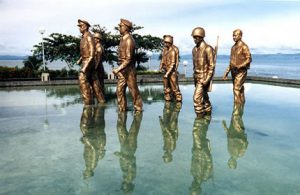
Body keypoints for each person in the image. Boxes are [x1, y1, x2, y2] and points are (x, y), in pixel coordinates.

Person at [113, 18, 143, 113]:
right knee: (119, 90)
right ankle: (122, 108)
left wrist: (118, 69)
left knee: (133, 91)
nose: (119, 28)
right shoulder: (122, 39)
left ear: (126, 28)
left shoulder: (129, 40)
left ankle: (138, 109)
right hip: (123, 70)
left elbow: (129, 59)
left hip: (129, 70)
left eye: (121, 26)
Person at [77, 19, 105, 105]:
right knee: (95, 83)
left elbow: (92, 54)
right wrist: (80, 59)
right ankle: (101, 100)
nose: (79, 28)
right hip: (87, 61)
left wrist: (85, 67)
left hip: (88, 62)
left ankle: (88, 103)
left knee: (82, 80)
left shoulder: (89, 37)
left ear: (85, 27)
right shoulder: (84, 37)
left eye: (81, 26)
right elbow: (85, 52)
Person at [191, 27, 215, 117]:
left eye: (196, 37)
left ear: (201, 37)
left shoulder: (208, 49)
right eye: (193, 37)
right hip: (196, 77)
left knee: (196, 98)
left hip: (203, 78)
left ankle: (199, 119)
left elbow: (211, 66)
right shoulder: (194, 49)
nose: (194, 39)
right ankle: (208, 111)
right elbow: (194, 65)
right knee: (204, 96)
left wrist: (207, 79)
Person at [223, 29, 252, 104]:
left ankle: (237, 111)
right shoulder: (233, 47)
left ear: (240, 36)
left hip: (241, 71)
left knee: (236, 88)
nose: (234, 37)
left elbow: (249, 59)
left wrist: (240, 66)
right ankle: (242, 103)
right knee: (240, 88)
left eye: (235, 35)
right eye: (233, 35)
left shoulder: (244, 46)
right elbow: (231, 62)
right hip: (233, 71)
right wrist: (226, 72)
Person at [222, 102, 248, 169]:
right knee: (236, 116)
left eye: (229, 162)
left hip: (232, 130)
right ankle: (239, 102)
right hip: (238, 132)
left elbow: (228, 137)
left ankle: (238, 102)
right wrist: (240, 140)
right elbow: (246, 143)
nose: (229, 161)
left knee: (235, 115)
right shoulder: (240, 153)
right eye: (231, 163)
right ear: (234, 163)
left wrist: (224, 127)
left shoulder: (230, 152)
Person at [159, 35, 182, 102]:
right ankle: (168, 97)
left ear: (170, 42)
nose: (165, 44)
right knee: (166, 86)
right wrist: (160, 67)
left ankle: (178, 99)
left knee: (174, 86)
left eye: (166, 42)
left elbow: (173, 63)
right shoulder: (164, 50)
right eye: (164, 42)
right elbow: (162, 59)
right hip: (166, 70)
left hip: (172, 71)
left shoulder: (173, 51)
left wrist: (168, 73)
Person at [94, 32, 106, 96]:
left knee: (99, 85)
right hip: (98, 67)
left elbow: (98, 60)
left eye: (95, 39)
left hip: (98, 68)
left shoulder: (99, 48)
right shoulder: (95, 47)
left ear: (98, 40)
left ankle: (101, 99)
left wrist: (95, 69)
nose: (93, 40)